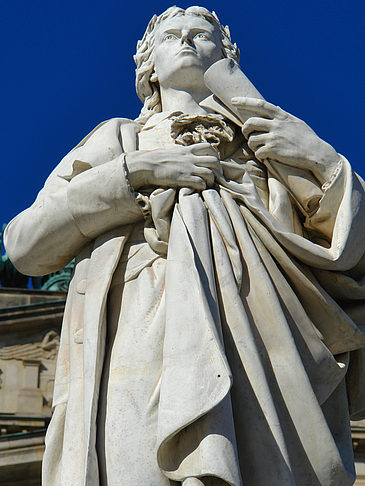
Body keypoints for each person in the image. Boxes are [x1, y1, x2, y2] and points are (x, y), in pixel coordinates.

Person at [4, 6, 365, 486]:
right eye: (173, 35)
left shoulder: (275, 144)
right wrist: (135, 174)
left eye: (202, 34)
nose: (189, 41)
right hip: (141, 331)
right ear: (147, 64)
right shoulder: (121, 138)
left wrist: (319, 158)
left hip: (266, 344)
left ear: (229, 55)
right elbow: (26, 242)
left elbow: (351, 251)